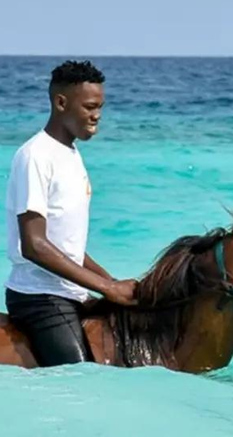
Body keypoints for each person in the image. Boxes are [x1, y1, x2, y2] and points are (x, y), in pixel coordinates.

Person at [5, 60, 137, 367]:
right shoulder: (35, 156)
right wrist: (106, 287)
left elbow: (68, 247)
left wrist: (112, 282)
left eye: (101, 107)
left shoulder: (71, 155)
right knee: (81, 378)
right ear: (61, 102)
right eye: (90, 107)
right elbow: (35, 245)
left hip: (71, 293)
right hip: (39, 297)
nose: (97, 116)